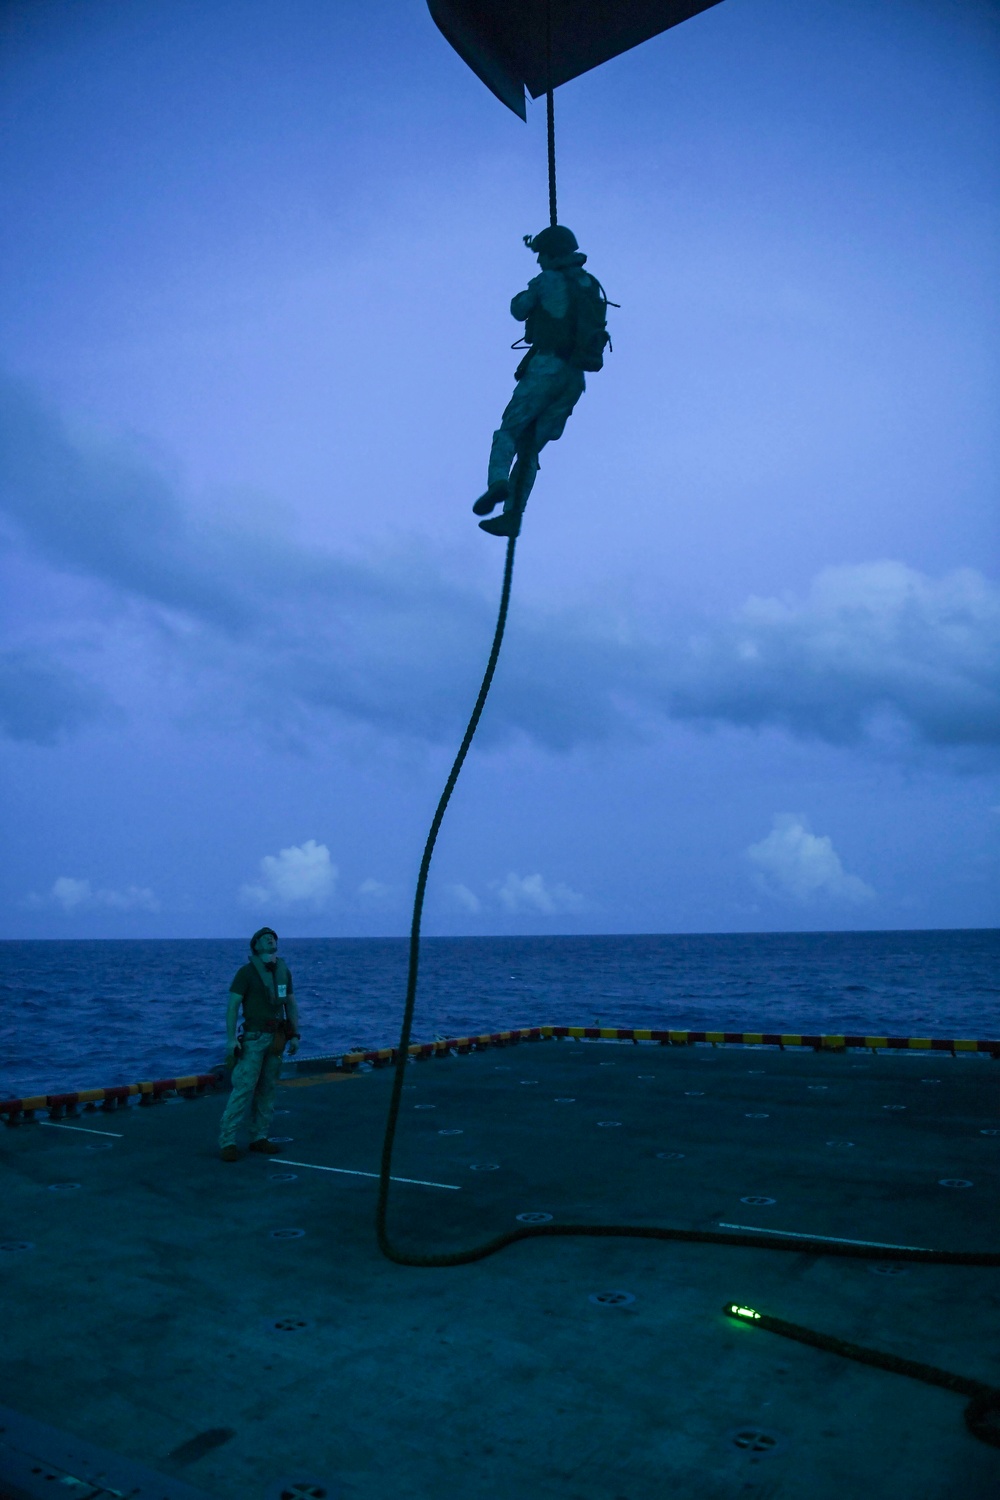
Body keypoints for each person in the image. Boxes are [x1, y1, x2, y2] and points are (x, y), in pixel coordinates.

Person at [474, 225, 610, 537]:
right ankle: (513, 516)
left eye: (540, 254)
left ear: (551, 254)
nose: (537, 261)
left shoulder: (547, 279)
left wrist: (528, 292)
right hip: (574, 378)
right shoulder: (590, 284)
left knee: (508, 432)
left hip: (545, 367)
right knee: (531, 449)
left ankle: (498, 483)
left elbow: (518, 309)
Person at [218, 927, 300, 1162]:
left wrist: (294, 1034)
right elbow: (233, 1006)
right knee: (243, 1088)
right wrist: (231, 1039)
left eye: (273, 936)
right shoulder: (245, 973)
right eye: (264, 937)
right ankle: (228, 1141)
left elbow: (291, 1005)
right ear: (255, 945)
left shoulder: (284, 972)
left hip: (276, 1040)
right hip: (254, 1039)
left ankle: (259, 1137)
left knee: (267, 1089)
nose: (270, 938)